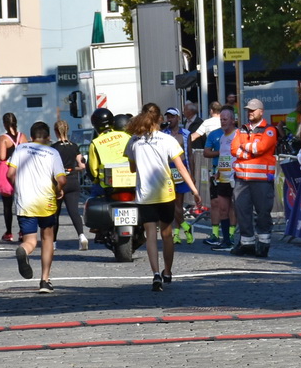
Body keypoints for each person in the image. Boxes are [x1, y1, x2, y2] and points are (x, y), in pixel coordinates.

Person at [126, 104, 198, 291]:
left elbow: (132, 168)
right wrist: (194, 190)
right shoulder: (167, 139)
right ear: (160, 119)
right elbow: (181, 168)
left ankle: (155, 273)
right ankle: (167, 271)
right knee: (166, 234)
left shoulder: (133, 141)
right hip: (165, 193)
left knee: (151, 234)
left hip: (145, 195)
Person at [7, 121, 68, 293]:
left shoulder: (20, 149)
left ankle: (23, 250)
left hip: (25, 201)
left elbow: (10, 174)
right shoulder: (52, 152)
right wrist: (58, 190)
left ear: (31, 136)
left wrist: (17, 187)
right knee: (47, 238)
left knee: (30, 240)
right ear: (48, 137)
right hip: (46, 201)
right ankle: (45, 280)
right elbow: (62, 179)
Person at [229, 99, 280, 257]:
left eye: (253, 110)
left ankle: (263, 244)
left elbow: (262, 148)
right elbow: (233, 149)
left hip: (261, 180)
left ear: (261, 111)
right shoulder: (241, 130)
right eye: (248, 110)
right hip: (242, 179)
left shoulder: (269, 130)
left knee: (263, 212)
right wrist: (250, 151)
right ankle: (247, 244)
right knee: (242, 211)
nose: (250, 113)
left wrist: (245, 149)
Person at [202, 107, 238, 250]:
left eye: (225, 119)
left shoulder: (238, 135)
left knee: (235, 208)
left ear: (232, 120)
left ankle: (238, 238)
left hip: (236, 178)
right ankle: (226, 241)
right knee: (222, 209)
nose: (222, 122)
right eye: (221, 119)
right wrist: (218, 171)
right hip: (222, 177)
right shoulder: (222, 137)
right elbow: (223, 157)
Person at [52, 119, 88, 250]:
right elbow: (82, 165)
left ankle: (53, 243)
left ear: (56, 131)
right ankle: (82, 236)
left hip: (59, 182)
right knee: (73, 211)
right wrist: (71, 169)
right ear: (67, 130)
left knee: (55, 214)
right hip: (73, 180)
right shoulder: (74, 146)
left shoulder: (54, 148)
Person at [0, 112, 24, 243]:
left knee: (7, 204)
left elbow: (2, 156)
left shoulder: (3, 138)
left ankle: (9, 232)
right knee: (21, 201)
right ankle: (22, 231)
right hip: (21, 168)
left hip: (6, 169)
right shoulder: (22, 136)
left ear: (4, 124)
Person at [87, 107, 134, 193]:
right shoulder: (126, 136)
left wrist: (96, 180)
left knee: (93, 200)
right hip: (132, 182)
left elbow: (94, 172)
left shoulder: (95, 143)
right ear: (113, 122)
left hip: (108, 185)